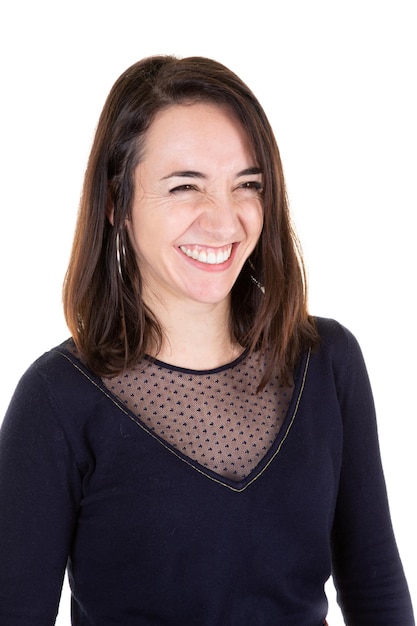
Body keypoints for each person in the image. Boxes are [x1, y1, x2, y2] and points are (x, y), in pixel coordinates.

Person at [0, 55, 414, 626]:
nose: (224, 222)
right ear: (118, 202)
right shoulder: (56, 401)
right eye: (185, 186)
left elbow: (377, 590)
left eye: (248, 184)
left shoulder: (328, 361)